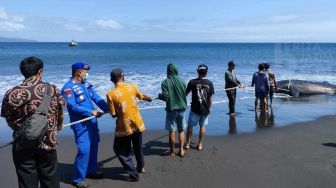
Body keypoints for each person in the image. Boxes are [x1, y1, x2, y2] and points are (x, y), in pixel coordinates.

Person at [1, 56, 65, 188]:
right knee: (50, 181)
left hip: (22, 144)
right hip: (48, 143)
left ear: (22, 72)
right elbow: (60, 115)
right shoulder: (52, 89)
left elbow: (9, 119)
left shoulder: (11, 92)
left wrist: (25, 131)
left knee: (26, 182)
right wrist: (55, 129)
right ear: (40, 71)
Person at [61, 62, 109, 188]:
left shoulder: (86, 84)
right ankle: (78, 179)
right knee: (84, 150)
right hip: (81, 125)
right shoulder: (68, 88)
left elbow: (96, 97)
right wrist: (90, 112)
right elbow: (72, 106)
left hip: (92, 122)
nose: (87, 74)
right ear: (79, 72)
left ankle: (91, 171)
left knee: (93, 147)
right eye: (85, 72)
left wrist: (109, 108)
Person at [106, 68, 152, 181]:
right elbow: (141, 96)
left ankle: (133, 173)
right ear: (122, 77)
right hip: (137, 123)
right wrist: (149, 98)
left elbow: (113, 114)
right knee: (138, 148)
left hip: (124, 127)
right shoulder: (132, 86)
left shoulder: (110, 95)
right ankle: (141, 167)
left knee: (119, 149)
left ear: (112, 80)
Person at [158, 63, 187, 157]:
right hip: (182, 109)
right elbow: (184, 93)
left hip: (172, 109)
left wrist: (160, 96)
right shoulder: (183, 81)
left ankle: (172, 151)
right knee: (181, 130)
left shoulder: (165, 82)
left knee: (172, 131)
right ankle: (182, 150)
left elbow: (166, 97)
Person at [185, 64, 214, 151]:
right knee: (203, 126)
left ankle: (187, 143)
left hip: (195, 108)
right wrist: (210, 108)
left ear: (198, 71)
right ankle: (200, 144)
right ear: (206, 72)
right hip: (205, 109)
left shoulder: (192, 82)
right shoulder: (210, 83)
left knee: (190, 125)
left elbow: (185, 94)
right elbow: (210, 98)